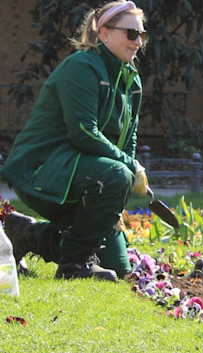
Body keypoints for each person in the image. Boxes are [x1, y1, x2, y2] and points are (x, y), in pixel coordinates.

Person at [0, 0, 149, 282]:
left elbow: (127, 140)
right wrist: (130, 169)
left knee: (117, 266)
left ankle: (25, 233)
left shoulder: (131, 80)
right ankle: (75, 264)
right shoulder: (82, 67)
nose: (138, 42)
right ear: (104, 33)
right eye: (131, 33)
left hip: (85, 174)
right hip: (42, 170)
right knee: (118, 174)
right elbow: (84, 133)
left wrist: (116, 202)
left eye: (142, 34)